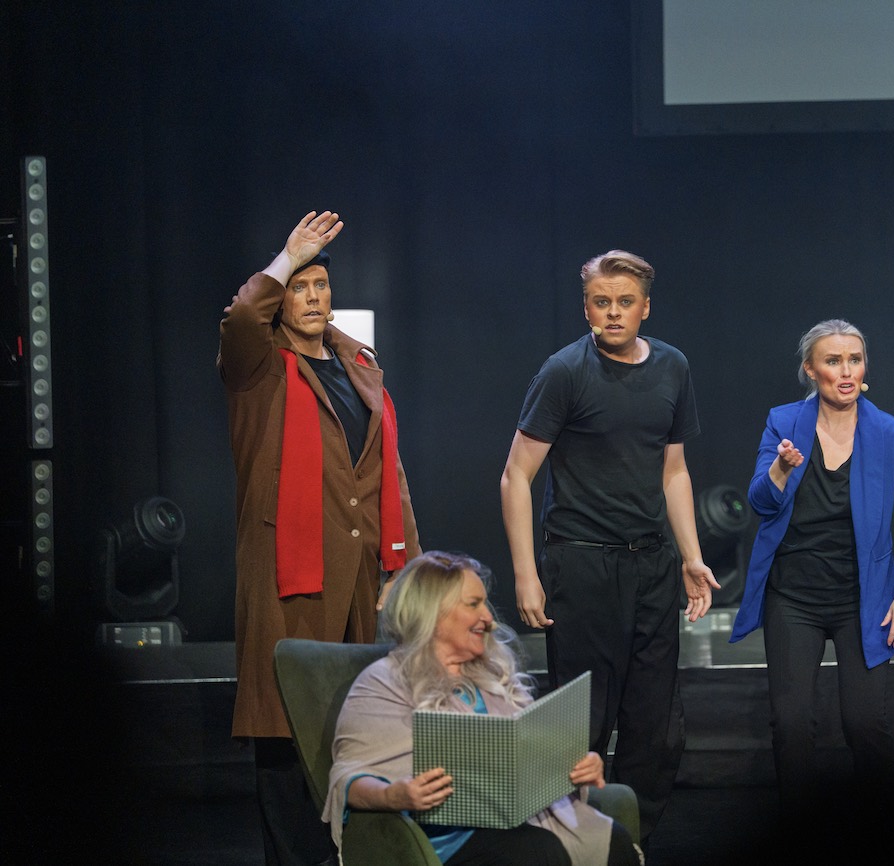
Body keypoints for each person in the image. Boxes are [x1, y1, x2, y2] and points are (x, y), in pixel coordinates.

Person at [218, 210, 421, 865]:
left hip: (358, 577)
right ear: (281, 297)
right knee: (286, 731)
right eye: (298, 286)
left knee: (352, 726)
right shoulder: (258, 367)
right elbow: (240, 320)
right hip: (292, 577)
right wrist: (285, 257)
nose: (311, 297)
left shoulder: (356, 362)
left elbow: (387, 471)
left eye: (320, 285)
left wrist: (405, 568)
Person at [499, 249, 719, 846]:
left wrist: (692, 556)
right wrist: (526, 573)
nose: (613, 312)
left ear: (645, 308)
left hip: (652, 563)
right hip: (582, 562)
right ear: (587, 308)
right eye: (602, 302)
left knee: (655, 727)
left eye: (625, 302)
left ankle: (632, 844)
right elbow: (516, 474)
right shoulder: (565, 371)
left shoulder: (672, 366)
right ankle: (571, 843)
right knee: (581, 723)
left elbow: (674, 471)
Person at [728, 318, 894, 812]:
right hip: (793, 596)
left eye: (854, 360)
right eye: (833, 361)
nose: (846, 371)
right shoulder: (784, 423)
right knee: (791, 723)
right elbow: (760, 502)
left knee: (864, 724)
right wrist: (781, 467)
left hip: (863, 598)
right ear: (811, 369)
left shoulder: (889, 433)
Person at [325, 550, 641, 866]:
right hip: (443, 841)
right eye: (473, 604)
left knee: (613, 840)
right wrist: (394, 795)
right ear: (433, 612)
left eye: (484, 604)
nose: (488, 618)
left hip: (521, 823)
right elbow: (347, 777)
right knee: (538, 851)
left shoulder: (493, 674)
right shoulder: (384, 682)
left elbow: (535, 758)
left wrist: (575, 767)